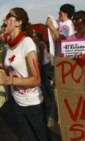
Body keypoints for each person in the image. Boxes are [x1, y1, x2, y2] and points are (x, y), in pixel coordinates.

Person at [0, 7, 51, 141]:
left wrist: (9, 80)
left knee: (42, 138)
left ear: (18, 22)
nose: (4, 19)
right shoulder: (7, 48)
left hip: (33, 105)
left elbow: (36, 80)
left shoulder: (27, 43)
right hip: (18, 103)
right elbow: (5, 73)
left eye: (9, 16)